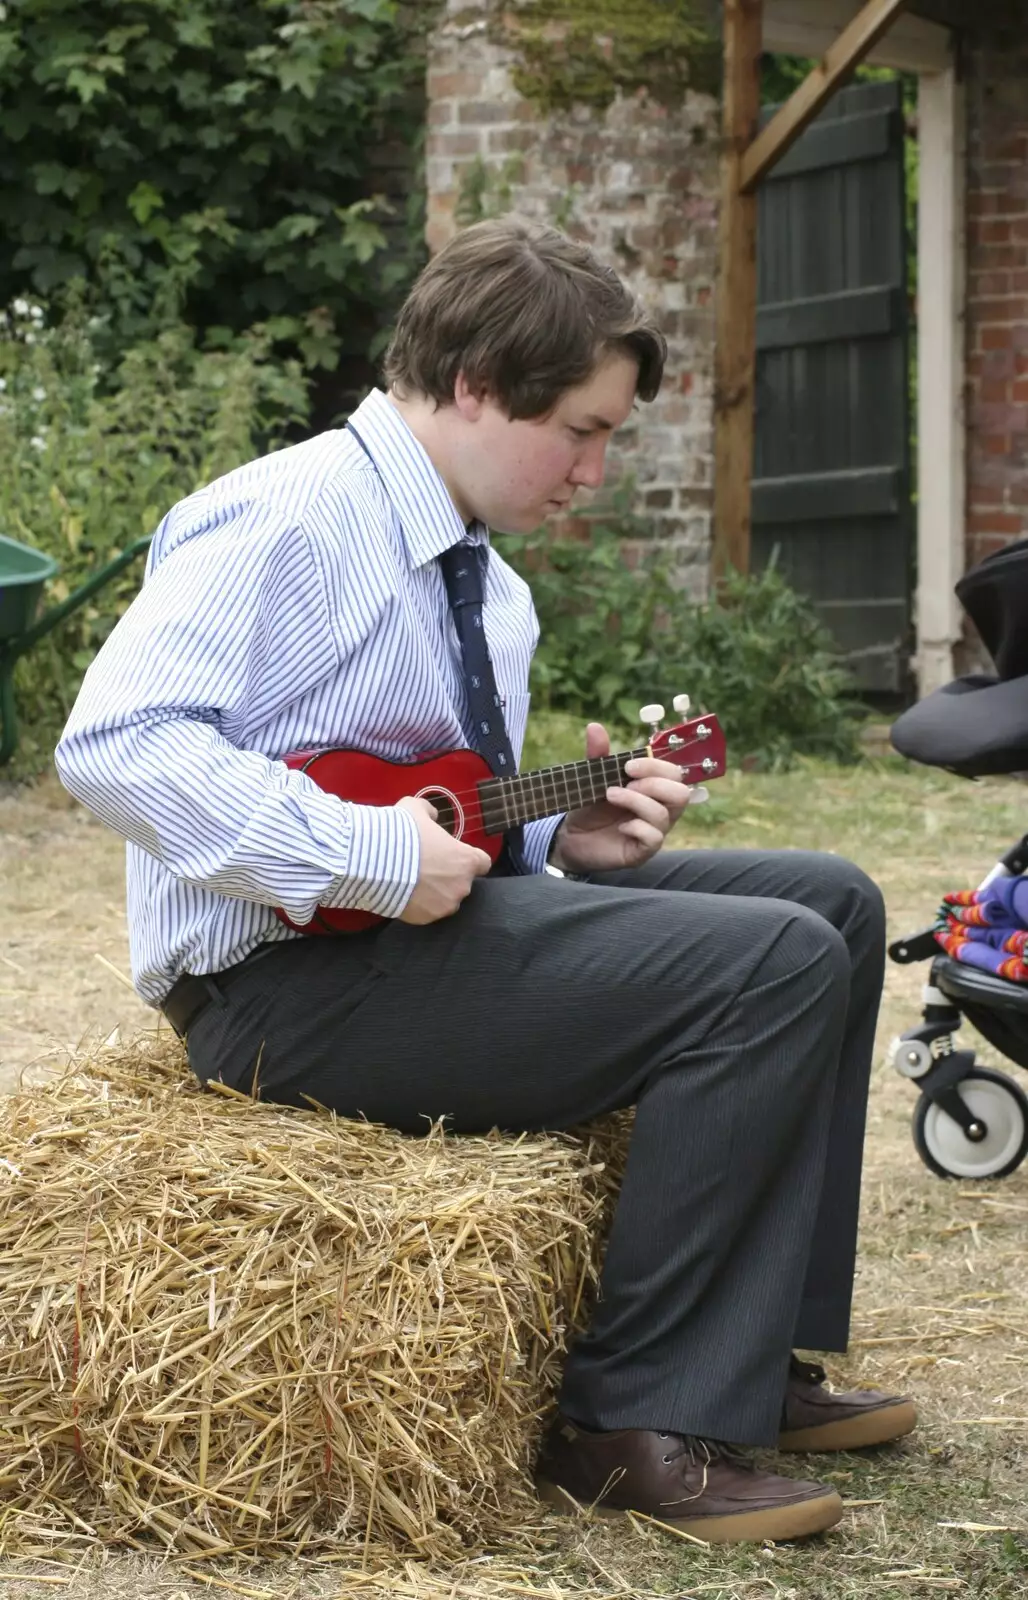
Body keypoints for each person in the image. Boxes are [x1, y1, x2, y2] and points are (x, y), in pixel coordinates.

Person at [55, 216, 914, 1545]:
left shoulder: (491, 591)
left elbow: (456, 840)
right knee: (769, 962)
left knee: (828, 906)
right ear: (470, 386)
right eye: (581, 429)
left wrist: (568, 849)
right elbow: (115, 744)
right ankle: (631, 1417)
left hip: (401, 952)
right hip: (273, 990)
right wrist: (356, 853)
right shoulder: (281, 515)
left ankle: (755, 1362)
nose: (596, 470)